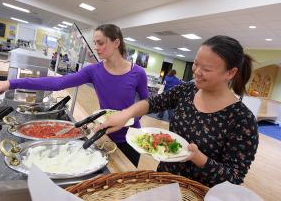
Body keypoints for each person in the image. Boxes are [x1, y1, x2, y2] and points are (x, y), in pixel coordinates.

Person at [94, 35, 259, 187]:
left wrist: (199, 158)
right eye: (195, 63)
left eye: (207, 69)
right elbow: (153, 102)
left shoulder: (242, 119)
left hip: (198, 193)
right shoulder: (188, 90)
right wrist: (125, 115)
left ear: (231, 72)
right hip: (164, 181)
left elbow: (235, 177)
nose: (197, 72)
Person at [0, 24, 148, 167]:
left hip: (131, 139)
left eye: (100, 43)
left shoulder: (138, 73)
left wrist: (129, 119)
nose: (96, 47)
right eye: (94, 43)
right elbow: (57, 83)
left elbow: (146, 103)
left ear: (116, 43)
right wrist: (11, 83)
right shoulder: (93, 70)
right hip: (104, 135)